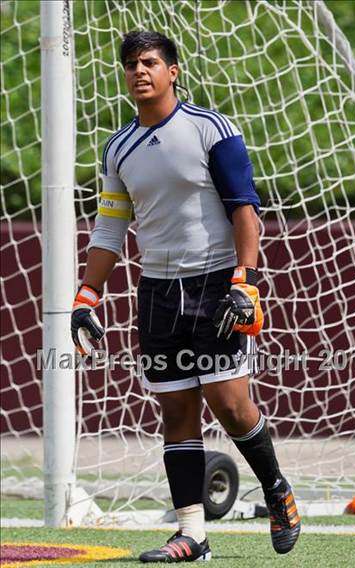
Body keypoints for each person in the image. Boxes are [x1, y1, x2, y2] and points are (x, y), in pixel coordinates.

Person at [71, 30, 300, 563]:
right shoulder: (118, 149)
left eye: (149, 62)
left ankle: (276, 488)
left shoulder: (211, 130)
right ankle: (192, 535)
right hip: (157, 293)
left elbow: (246, 208)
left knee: (231, 406)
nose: (138, 71)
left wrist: (245, 280)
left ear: (173, 71)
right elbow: (109, 232)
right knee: (176, 409)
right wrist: (86, 297)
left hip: (217, 283)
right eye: (130, 64)